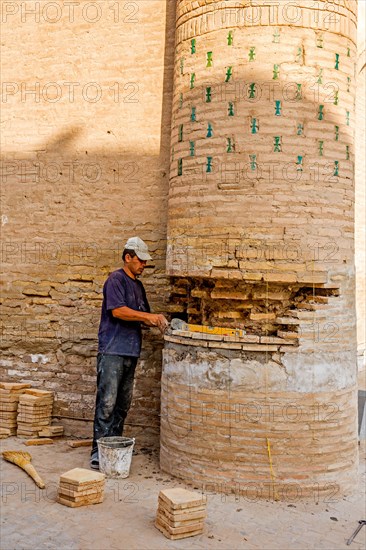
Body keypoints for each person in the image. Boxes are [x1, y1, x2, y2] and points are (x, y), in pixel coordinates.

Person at [90, 236, 168, 469]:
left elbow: (141, 315)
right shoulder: (116, 280)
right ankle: (98, 451)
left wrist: (161, 323)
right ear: (128, 258)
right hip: (113, 349)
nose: (144, 265)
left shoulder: (138, 285)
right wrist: (149, 317)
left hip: (130, 351)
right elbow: (119, 312)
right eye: (140, 260)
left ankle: (112, 447)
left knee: (123, 404)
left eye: (145, 261)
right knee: (107, 403)